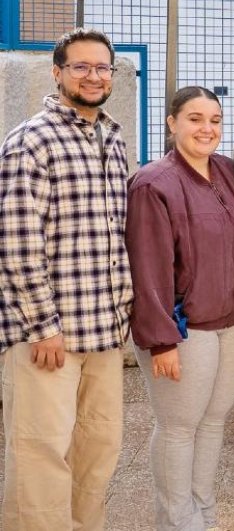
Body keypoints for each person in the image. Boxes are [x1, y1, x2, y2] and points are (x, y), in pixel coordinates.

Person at [0, 28, 133, 531]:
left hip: (103, 330)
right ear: (57, 73)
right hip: (48, 335)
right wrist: (42, 327)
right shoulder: (30, 141)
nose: (93, 76)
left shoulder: (113, 139)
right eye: (81, 66)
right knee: (40, 456)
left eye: (102, 67)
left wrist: (123, 312)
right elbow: (16, 243)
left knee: (97, 451)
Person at [127, 86, 234, 531]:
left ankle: (204, 514)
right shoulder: (153, 183)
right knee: (179, 427)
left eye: (214, 120)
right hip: (183, 329)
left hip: (232, 323)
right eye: (195, 119)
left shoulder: (228, 171)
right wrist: (161, 340)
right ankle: (177, 521)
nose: (207, 129)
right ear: (172, 123)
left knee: (214, 422)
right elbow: (148, 267)